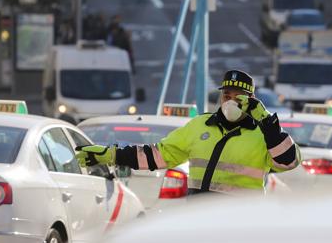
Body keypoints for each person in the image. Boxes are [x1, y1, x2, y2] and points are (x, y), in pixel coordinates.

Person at [76, 70, 302, 195]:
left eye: (238, 98)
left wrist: (266, 121)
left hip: (240, 222)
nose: (230, 102)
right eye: (226, 96)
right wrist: (112, 155)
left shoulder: (264, 133)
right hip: (198, 218)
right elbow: (159, 155)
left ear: (251, 100)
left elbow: (289, 161)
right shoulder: (200, 125)